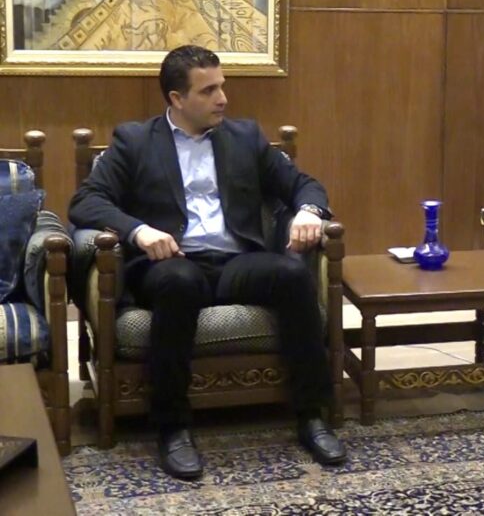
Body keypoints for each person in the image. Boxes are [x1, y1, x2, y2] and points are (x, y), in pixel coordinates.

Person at [70, 45, 346, 479]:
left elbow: (302, 184)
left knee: (292, 274)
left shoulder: (245, 137)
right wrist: (139, 231)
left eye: (222, 86)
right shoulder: (135, 141)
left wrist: (309, 212)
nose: (223, 99)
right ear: (177, 99)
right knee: (178, 284)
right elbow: (86, 201)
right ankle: (173, 426)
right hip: (172, 262)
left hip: (236, 260)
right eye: (209, 90)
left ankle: (312, 415)